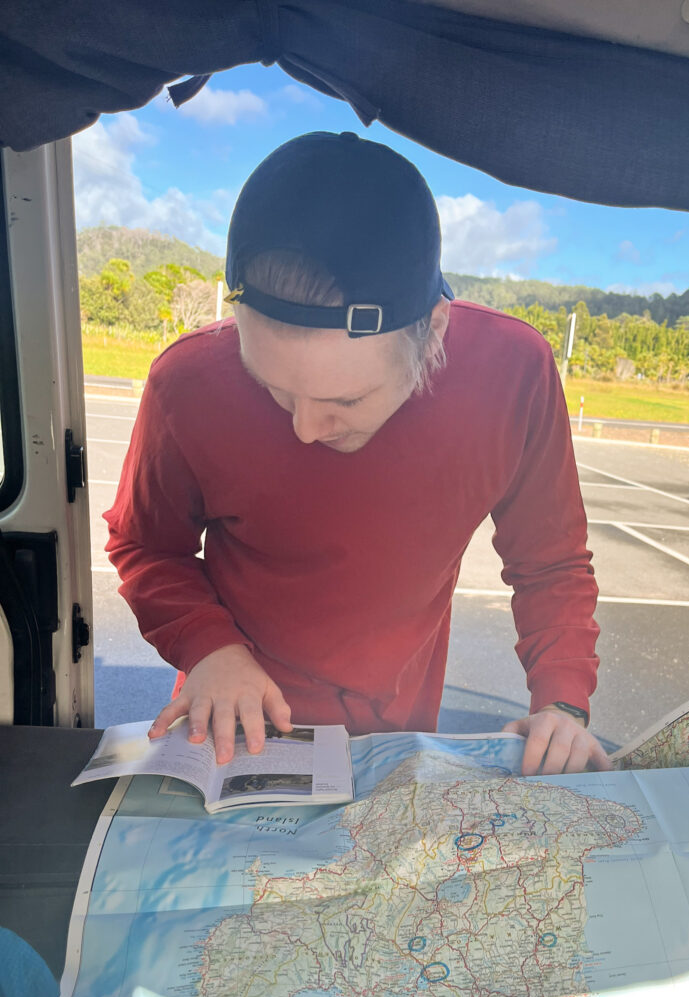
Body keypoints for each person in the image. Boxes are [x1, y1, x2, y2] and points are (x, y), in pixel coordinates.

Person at [105, 131, 609, 777]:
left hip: (397, 736)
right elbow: (145, 546)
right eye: (274, 390)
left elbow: (551, 563)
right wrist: (209, 651)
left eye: (347, 399)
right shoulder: (189, 381)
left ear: (435, 331)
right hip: (233, 723)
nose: (307, 430)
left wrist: (563, 704)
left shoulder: (514, 370)